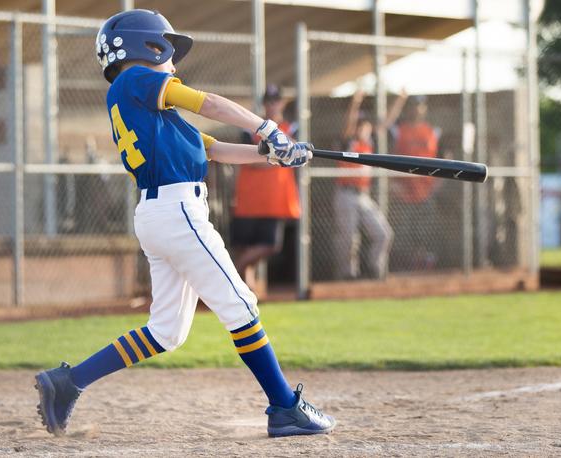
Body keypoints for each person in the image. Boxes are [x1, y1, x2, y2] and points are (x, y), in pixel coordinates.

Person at [33, 10, 335, 438]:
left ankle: (69, 381)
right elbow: (208, 102)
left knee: (167, 331)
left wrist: (275, 152)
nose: (174, 63)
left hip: (163, 213)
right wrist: (267, 126)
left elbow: (216, 150)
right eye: (168, 50)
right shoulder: (135, 80)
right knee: (241, 305)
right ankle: (285, 407)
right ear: (146, 47)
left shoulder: (152, 111)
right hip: (177, 212)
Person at [231, 85, 301, 295]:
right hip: (249, 197)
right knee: (244, 245)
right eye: (269, 101)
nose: (272, 105)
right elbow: (248, 159)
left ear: (282, 102)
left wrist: (271, 157)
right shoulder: (251, 128)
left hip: (275, 199)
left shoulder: (291, 127)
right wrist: (278, 158)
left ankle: (232, 274)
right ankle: (249, 292)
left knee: (271, 245)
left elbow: (296, 154)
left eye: (276, 100)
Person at [333, 90, 393, 279]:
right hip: (346, 194)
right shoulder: (348, 142)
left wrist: (400, 99)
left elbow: (386, 123)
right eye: (360, 125)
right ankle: (347, 275)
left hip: (363, 195)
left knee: (383, 233)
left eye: (365, 125)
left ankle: (375, 269)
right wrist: (355, 102)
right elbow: (348, 124)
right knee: (349, 239)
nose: (362, 128)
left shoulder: (369, 142)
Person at [386, 91, 440, 269]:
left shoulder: (432, 131)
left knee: (426, 233)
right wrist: (392, 185)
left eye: (420, 105)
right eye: (414, 106)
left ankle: (425, 265)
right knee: (403, 234)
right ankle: (406, 267)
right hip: (404, 194)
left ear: (424, 108)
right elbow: (385, 153)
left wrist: (436, 186)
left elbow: (443, 159)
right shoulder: (399, 130)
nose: (417, 109)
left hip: (426, 192)